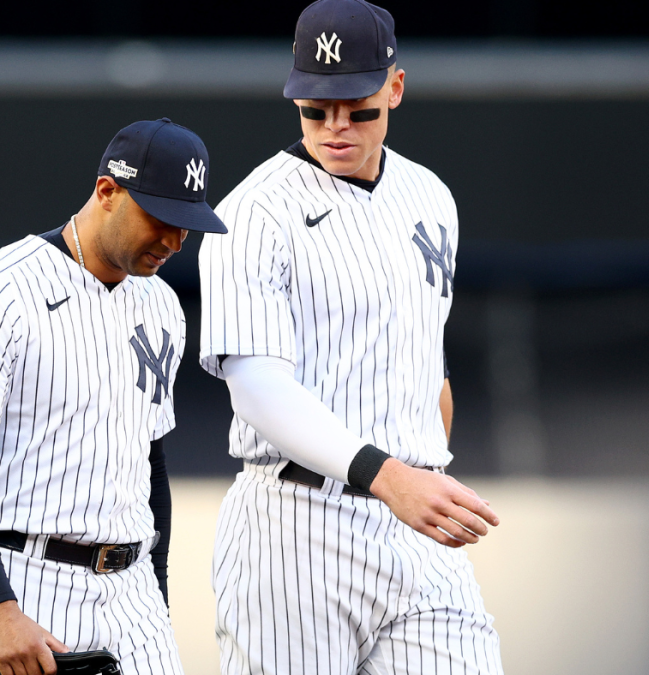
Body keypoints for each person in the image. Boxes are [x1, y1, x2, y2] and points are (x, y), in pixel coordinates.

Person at [198, 1, 504, 673]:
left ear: (394, 88)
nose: (335, 127)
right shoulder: (252, 213)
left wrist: (425, 467)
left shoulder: (430, 196)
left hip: (412, 518)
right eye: (316, 108)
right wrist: (389, 475)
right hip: (296, 523)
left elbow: (429, 363)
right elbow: (255, 385)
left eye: (357, 108)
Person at [0, 118, 227, 675]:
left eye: (187, 225)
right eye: (161, 219)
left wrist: (154, 591)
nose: (175, 241)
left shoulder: (161, 305)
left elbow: (149, 463)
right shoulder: (0, 290)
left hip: (131, 593)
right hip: (19, 578)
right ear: (108, 191)